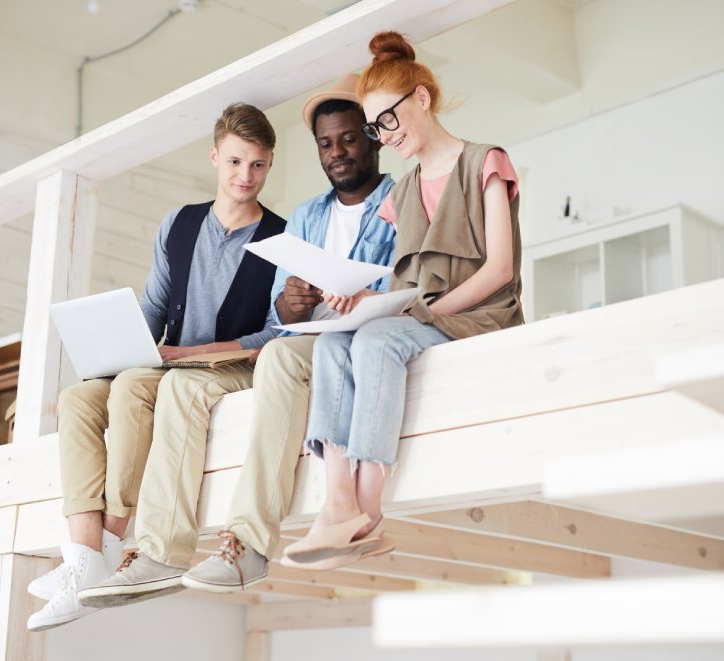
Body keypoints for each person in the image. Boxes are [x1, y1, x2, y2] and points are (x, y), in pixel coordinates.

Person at [76, 73, 396, 607]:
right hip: (302, 336)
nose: (337, 151)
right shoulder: (308, 216)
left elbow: (403, 282)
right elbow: (282, 303)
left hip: (330, 342)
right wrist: (292, 300)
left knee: (272, 358)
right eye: (325, 142)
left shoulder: (395, 201)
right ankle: (157, 551)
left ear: (373, 138)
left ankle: (247, 542)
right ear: (214, 159)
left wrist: (355, 297)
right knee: (166, 389)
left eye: (349, 138)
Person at [27, 102, 285, 631]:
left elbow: (272, 335)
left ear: (269, 164)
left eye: (257, 165)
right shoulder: (179, 223)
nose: (245, 176)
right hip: (167, 364)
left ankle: (114, 537)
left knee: (130, 390)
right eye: (235, 162)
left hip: (228, 367)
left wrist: (185, 355)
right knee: (79, 397)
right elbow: (152, 307)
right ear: (215, 156)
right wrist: (114, 348)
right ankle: (84, 557)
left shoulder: (280, 239)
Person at [281, 31, 524, 570]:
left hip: (479, 314)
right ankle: (336, 502)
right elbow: (405, 278)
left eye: (387, 120)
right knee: (332, 345)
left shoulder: (485, 161)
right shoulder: (402, 191)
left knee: (374, 343)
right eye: (376, 127)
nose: (383, 136)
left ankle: (367, 513)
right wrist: (370, 298)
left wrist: (421, 311)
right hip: (422, 313)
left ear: (421, 98)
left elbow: (501, 270)